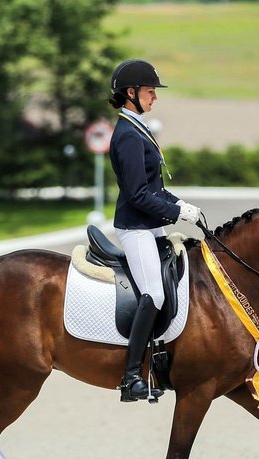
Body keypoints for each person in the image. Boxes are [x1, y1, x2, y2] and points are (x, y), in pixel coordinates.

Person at [107, 58, 202, 402]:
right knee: (155, 293)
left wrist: (184, 206)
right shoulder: (128, 135)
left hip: (150, 226)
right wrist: (177, 212)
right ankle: (130, 376)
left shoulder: (138, 128)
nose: (154, 97)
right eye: (150, 92)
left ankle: (161, 358)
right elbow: (137, 194)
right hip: (136, 228)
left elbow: (155, 188)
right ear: (130, 93)